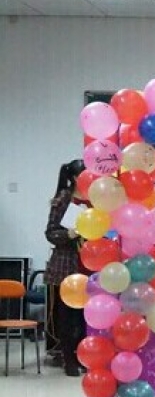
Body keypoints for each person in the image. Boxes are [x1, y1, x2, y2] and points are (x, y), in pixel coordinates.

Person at [44, 159, 87, 376]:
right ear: (74, 178)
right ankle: (68, 359)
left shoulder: (95, 200)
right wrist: (68, 234)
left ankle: (83, 356)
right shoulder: (63, 198)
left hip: (89, 265)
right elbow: (50, 232)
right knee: (67, 316)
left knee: (83, 316)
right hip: (66, 265)